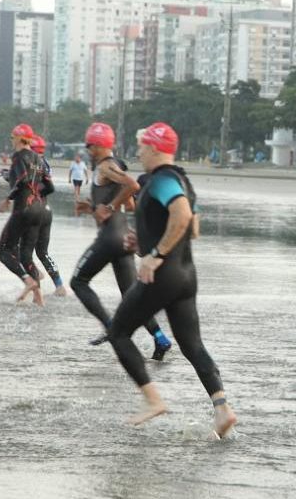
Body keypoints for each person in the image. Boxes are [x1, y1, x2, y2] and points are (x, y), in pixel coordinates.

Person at [107, 122, 236, 437]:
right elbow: (193, 229)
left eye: (141, 147)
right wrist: (145, 241)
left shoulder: (164, 179)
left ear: (153, 148)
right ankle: (222, 409)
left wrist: (156, 255)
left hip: (164, 275)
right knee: (191, 345)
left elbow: (181, 216)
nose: (138, 152)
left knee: (118, 332)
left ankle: (153, 401)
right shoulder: (183, 180)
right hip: (186, 275)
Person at [72, 123, 173, 358]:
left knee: (78, 282)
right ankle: (160, 339)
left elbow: (132, 185)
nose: (87, 150)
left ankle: (111, 327)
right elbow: (129, 203)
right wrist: (93, 208)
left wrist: (108, 206)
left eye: (89, 145)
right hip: (122, 236)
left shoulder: (106, 166)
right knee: (131, 295)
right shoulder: (109, 166)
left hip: (110, 238)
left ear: (98, 145)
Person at [0, 124, 51, 305]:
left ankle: (28, 281)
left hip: (23, 210)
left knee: (4, 251)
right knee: (26, 255)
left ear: (20, 139)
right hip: (39, 211)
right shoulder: (38, 158)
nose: (12, 141)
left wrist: (8, 199)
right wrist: (35, 198)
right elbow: (49, 187)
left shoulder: (19, 156)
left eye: (13, 138)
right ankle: (38, 298)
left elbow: (22, 180)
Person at [20, 134, 66, 296]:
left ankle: (36, 291)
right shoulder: (44, 163)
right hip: (47, 211)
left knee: (23, 253)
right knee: (43, 252)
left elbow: (23, 182)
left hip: (34, 212)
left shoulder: (30, 163)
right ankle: (59, 286)